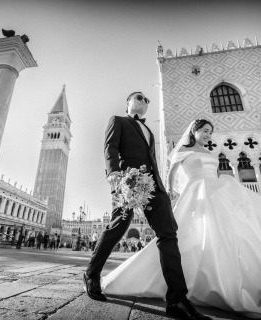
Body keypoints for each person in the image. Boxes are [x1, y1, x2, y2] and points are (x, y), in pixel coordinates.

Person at [101, 119, 261, 319]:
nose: (208, 135)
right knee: (188, 238)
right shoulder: (182, 151)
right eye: (205, 131)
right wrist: (170, 195)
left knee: (229, 235)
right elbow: (170, 177)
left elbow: (214, 174)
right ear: (193, 131)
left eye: (211, 132)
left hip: (217, 194)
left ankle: (226, 283)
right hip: (196, 194)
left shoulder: (208, 153)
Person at [83, 92, 210, 320]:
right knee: (119, 227)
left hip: (154, 186)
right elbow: (110, 146)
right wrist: (113, 172)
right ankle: (92, 274)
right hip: (128, 179)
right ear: (128, 102)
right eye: (139, 97)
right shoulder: (118, 120)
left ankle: (177, 299)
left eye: (147, 100)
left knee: (168, 234)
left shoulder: (150, 131)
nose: (144, 101)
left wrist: (162, 186)